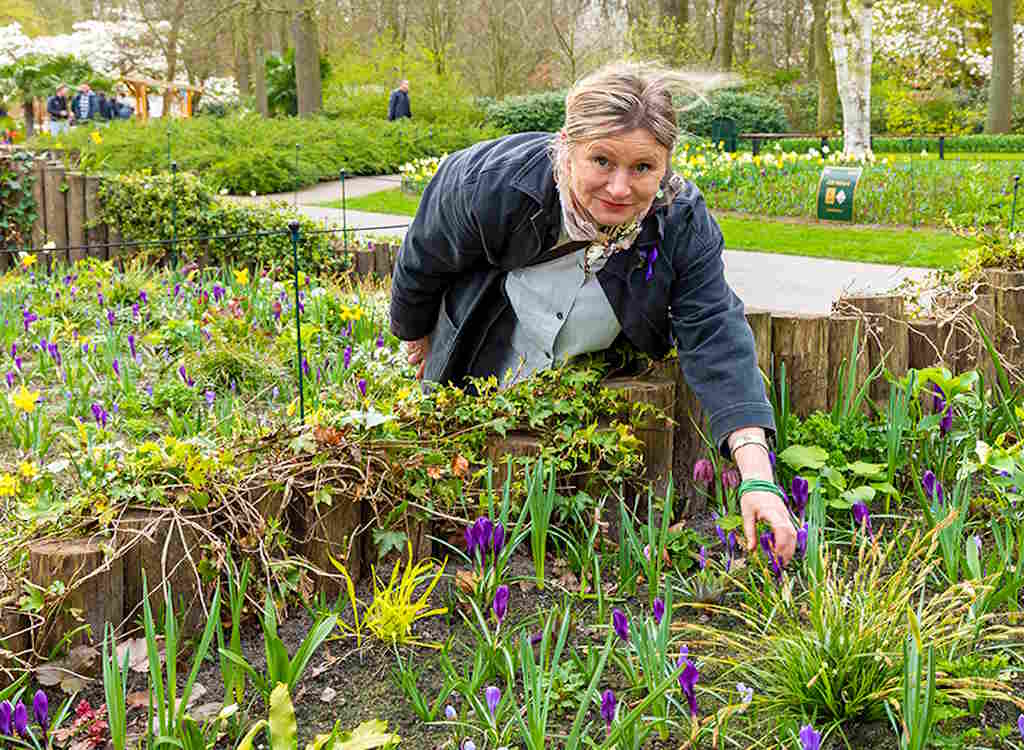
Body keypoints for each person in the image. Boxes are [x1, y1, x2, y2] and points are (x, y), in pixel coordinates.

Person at [389, 61, 797, 565]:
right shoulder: (490, 183)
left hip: (588, 370)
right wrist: (416, 338)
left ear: (666, 164)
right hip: (491, 335)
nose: (621, 189)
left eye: (643, 168)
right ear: (567, 144)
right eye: (601, 161)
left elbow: (714, 328)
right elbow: (422, 260)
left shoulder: (679, 220)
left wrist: (757, 475)